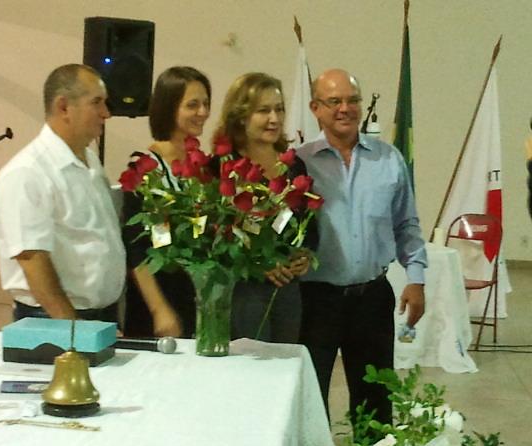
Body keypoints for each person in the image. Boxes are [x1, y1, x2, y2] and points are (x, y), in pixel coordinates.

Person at [296, 68, 427, 426]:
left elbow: (407, 224)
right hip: (315, 301)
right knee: (309, 399)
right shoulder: (299, 163)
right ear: (315, 108)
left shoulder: (388, 159)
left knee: (376, 401)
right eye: (334, 101)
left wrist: (416, 278)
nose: (345, 108)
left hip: (372, 298)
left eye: (352, 100)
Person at [0, 63, 125, 322]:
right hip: (54, 318)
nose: (106, 113)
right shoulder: (27, 172)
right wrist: (73, 330)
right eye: (96, 102)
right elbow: (32, 259)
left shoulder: (90, 161)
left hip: (98, 314)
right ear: (64, 107)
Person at [212, 72, 314, 343]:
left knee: (287, 362)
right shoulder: (222, 167)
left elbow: (309, 224)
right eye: (263, 110)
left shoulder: (293, 165)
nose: (274, 118)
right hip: (242, 291)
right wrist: (256, 263)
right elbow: (213, 237)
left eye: (279, 109)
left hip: (287, 290)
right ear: (241, 115)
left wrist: (304, 255)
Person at [122, 66, 211, 338]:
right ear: (169, 107)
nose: (203, 112)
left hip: (194, 294)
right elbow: (136, 250)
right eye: (192, 105)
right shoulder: (145, 169)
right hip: (157, 299)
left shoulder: (203, 166)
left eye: (206, 104)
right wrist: (159, 309)